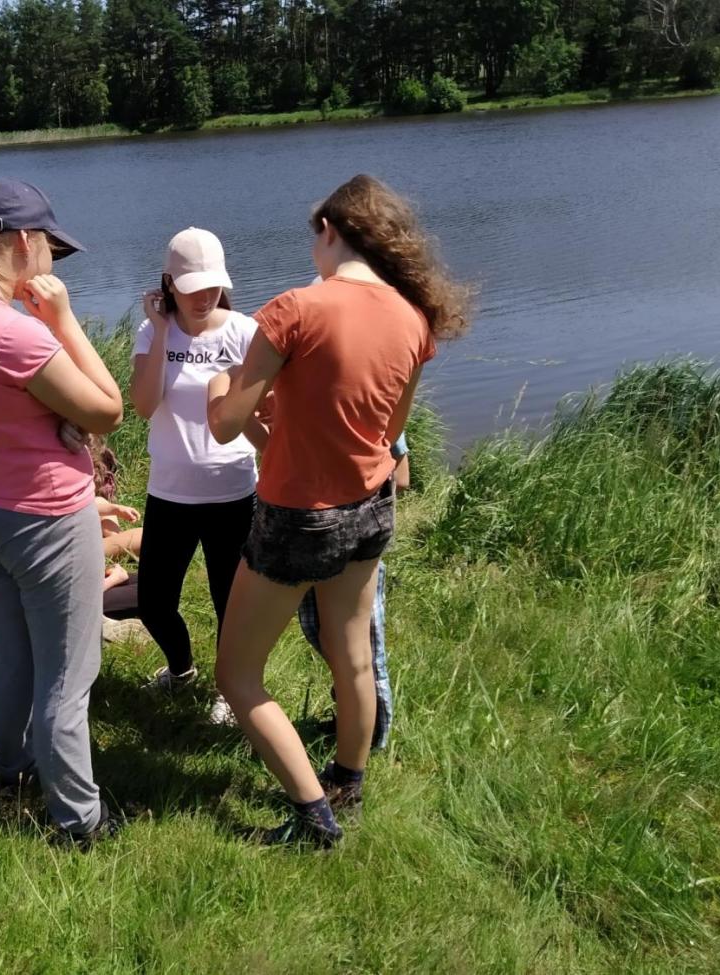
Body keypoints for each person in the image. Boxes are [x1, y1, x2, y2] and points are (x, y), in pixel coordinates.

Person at [207, 175, 470, 847]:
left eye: (314, 237)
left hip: (298, 516)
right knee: (352, 658)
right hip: (371, 507)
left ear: (330, 229)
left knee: (236, 674)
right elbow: (385, 429)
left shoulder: (293, 309)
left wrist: (221, 390)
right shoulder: (414, 317)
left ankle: (313, 815)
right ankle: (349, 781)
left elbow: (224, 424)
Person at [0, 179, 125, 848]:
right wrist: (62, 318)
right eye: (49, 244)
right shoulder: (13, 332)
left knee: (11, 653)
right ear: (21, 241)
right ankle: (78, 820)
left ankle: (11, 772)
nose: (53, 259)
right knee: (68, 676)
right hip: (47, 520)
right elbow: (106, 408)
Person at [130, 228, 266, 724]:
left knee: (230, 603)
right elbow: (144, 407)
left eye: (213, 285)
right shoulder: (152, 334)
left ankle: (232, 690)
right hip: (170, 492)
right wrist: (162, 332)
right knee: (153, 602)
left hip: (233, 491)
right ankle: (181, 669)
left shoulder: (245, 333)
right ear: (169, 283)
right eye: (192, 287)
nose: (205, 296)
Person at [297, 435, 409, 752]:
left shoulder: (373, 405)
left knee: (362, 649)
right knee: (325, 635)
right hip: (316, 529)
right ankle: (352, 719)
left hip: (354, 537)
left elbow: (401, 477)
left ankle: (373, 734)